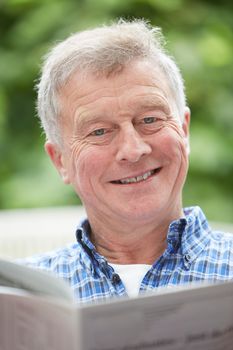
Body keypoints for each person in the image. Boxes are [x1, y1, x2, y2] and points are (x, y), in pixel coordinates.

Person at [21, 19, 233, 303]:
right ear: (60, 161)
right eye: (99, 132)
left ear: (184, 130)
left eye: (149, 120)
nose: (133, 150)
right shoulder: (22, 299)